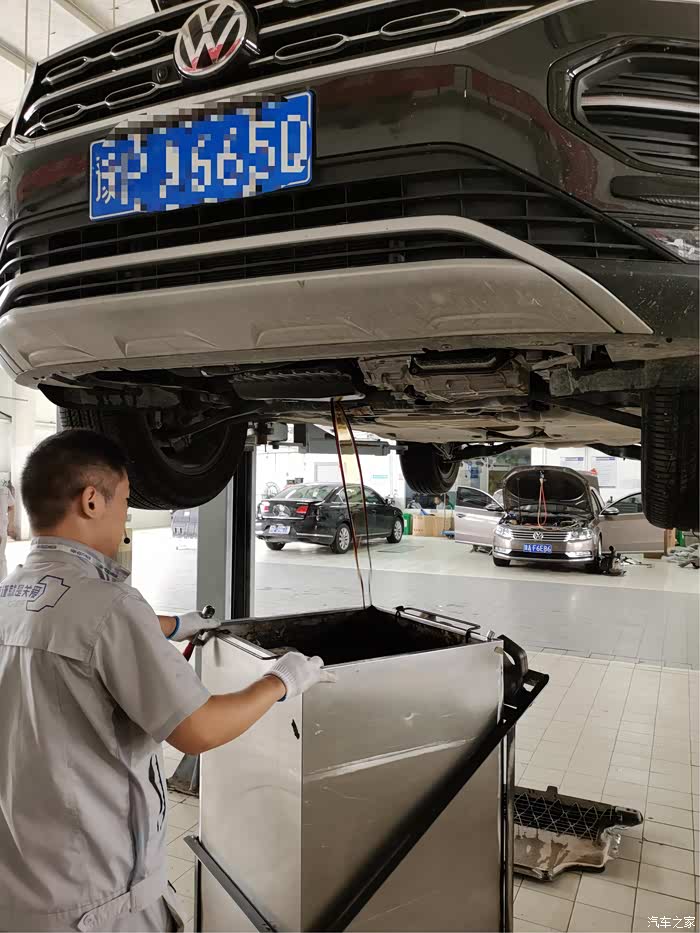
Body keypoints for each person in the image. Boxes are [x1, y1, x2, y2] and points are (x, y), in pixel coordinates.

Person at [0, 429, 334, 933]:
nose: (124, 519)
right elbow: (198, 730)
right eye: (124, 503)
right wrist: (280, 680)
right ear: (92, 501)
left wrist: (173, 626)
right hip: (99, 900)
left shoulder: (13, 593)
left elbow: (68, 625)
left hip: (24, 885)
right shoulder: (111, 606)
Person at [0, 479, 15, 579]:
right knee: (1, 557)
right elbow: (11, 506)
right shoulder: (4, 490)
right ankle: (3, 581)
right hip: (2, 529)